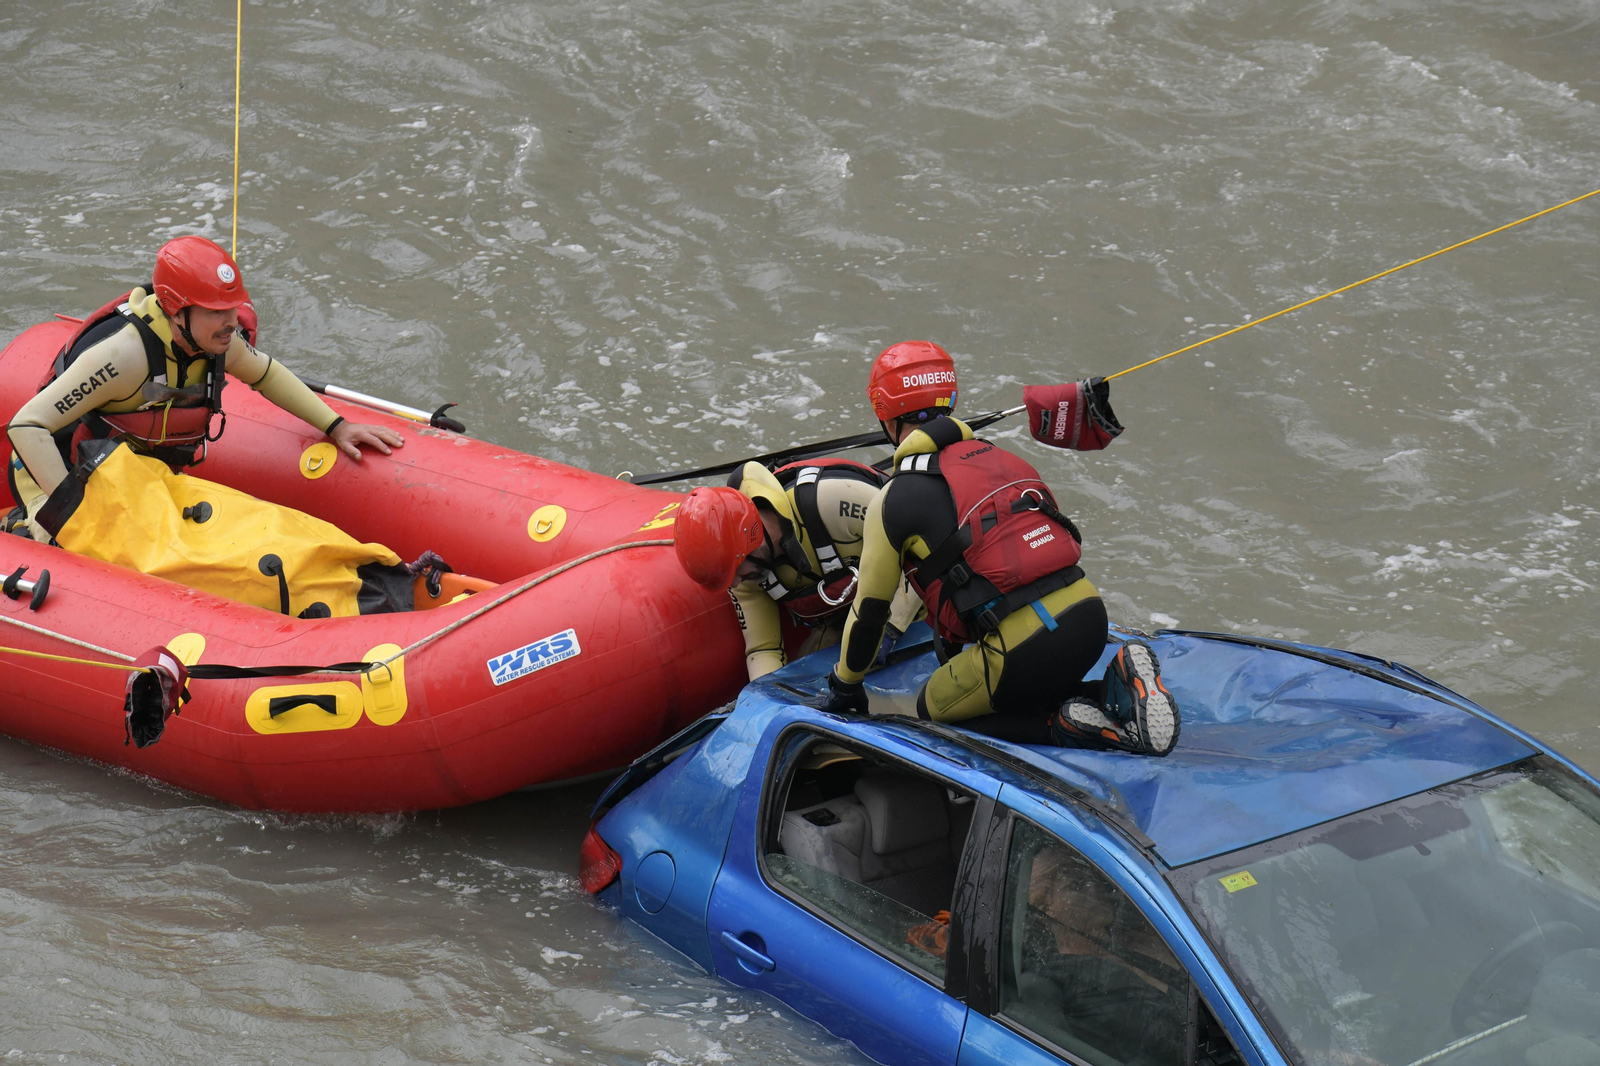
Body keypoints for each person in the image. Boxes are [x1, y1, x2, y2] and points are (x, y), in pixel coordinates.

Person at [810, 340, 1178, 755]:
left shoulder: (893, 498)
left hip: (1022, 651)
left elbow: (870, 611)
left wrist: (844, 686)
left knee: (932, 711)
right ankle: (1117, 688)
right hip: (1089, 618)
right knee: (1024, 675)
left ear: (884, 413)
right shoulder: (1001, 459)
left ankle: (1069, 729)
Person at [5, 236, 402, 540]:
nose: (230, 321)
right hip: (59, 475)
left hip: (132, 473)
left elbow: (265, 374)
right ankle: (20, 529)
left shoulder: (212, 340)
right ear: (177, 310)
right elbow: (28, 426)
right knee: (83, 543)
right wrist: (70, 512)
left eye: (232, 308)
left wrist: (337, 426)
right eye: (215, 311)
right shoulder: (125, 356)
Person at [675, 459, 923, 680]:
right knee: (810, 681)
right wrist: (765, 698)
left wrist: (887, 631)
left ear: (750, 540)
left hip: (917, 600)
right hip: (844, 618)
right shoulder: (744, 576)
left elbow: (922, 547)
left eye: (736, 571)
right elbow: (764, 649)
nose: (737, 583)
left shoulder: (832, 501)